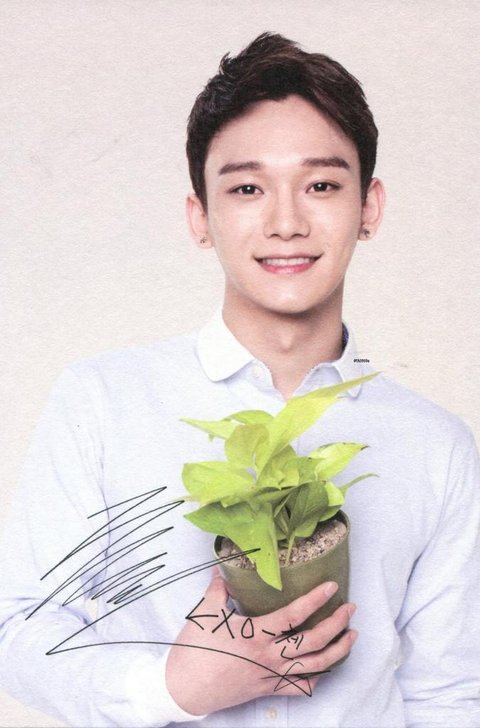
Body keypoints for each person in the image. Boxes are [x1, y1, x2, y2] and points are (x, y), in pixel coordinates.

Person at [1, 32, 479, 728]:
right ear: (201, 216)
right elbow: (18, 627)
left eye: (321, 185)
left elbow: (450, 697)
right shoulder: (104, 402)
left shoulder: (435, 446)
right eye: (247, 188)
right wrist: (174, 688)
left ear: (369, 209)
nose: (286, 222)